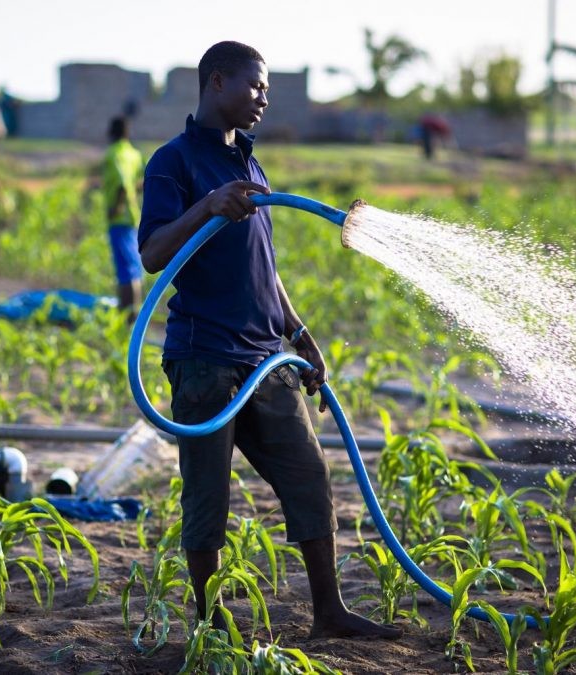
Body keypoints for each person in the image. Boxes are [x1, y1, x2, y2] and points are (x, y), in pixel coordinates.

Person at [137, 41, 401, 640]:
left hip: (265, 358)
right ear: (217, 82)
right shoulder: (172, 163)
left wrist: (299, 333)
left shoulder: (252, 166)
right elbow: (152, 254)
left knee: (309, 477)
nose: (263, 98)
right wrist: (206, 207)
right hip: (206, 361)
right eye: (255, 86)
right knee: (209, 498)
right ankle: (208, 620)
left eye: (267, 90)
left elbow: (265, 267)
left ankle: (328, 612)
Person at [101, 116, 145, 319]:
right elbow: (142, 182)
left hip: (120, 219)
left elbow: (120, 182)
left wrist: (116, 207)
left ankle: (129, 318)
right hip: (134, 217)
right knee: (134, 267)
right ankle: (133, 314)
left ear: (111, 133)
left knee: (126, 270)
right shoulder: (134, 154)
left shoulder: (113, 154)